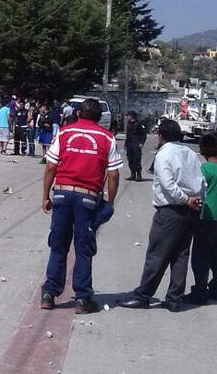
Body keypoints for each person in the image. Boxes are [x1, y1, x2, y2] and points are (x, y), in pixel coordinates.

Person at [40, 98, 121, 314]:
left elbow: (50, 167)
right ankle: (83, 299)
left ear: (78, 114)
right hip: (88, 199)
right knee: (83, 249)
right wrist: (110, 202)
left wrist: (46, 196)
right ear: (99, 117)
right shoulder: (107, 137)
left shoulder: (65, 132)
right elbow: (113, 174)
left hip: (62, 195)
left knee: (58, 244)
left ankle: (49, 293)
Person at [118, 119, 206, 312]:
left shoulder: (164, 153)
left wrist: (185, 199)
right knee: (180, 255)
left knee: (157, 254)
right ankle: (174, 298)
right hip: (190, 210)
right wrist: (197, 201)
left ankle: (143, 296)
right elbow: (202, 181)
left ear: (161, 136)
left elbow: (168, 184)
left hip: (171, 210)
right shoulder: (190, 153)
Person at [185, 134, 217, 305]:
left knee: (200, 256)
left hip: (204, 216)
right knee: (216, 254)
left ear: (202, 150)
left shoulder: (204, 169)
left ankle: (200, 290)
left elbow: (198, 192)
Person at [125, 111, 148, 181]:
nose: (127, 117)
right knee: (130, 159)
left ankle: (139, 175)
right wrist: (126, 144)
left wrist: (141, 142)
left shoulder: (139, 124)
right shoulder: (129, 124)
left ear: (132, 116)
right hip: (129, 143)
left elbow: (143, 134)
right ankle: (132, 174)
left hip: (136, 143)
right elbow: (127, 135)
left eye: (128, 116)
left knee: (136, 159)